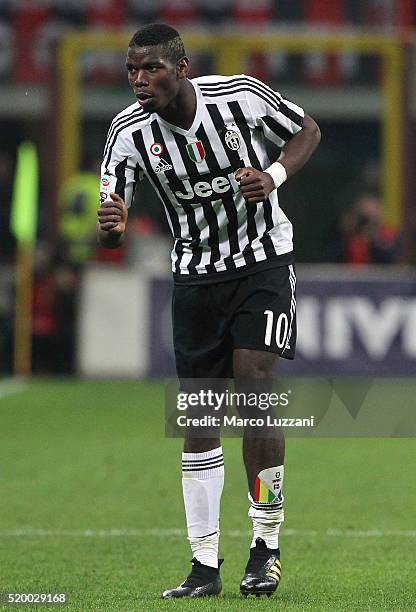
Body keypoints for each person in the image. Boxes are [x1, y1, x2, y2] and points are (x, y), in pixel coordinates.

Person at [97, 23, 320, 599]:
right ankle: (203, 564)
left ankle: (265, 547)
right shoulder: (127, 133)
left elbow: (306, 131)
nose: (139, 81)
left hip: (262, 262)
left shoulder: (241, 97)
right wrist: (114, 228)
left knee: (255, 389)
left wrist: (272, 175)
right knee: (198, 418)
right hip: (195, 278)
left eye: (151, 69)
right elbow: (113, 215)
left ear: (182, 67)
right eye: (132, 70)